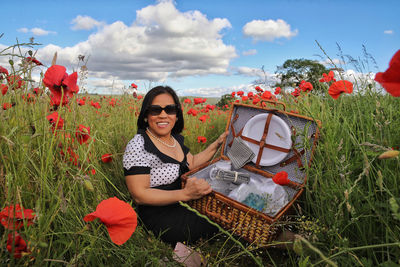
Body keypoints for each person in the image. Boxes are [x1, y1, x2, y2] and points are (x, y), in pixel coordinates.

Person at [123, 85, 228, 247]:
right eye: (155, 110)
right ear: (145, 115)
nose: (163, 115)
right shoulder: (138, 144)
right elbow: (139, 195)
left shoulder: (175, 139)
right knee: (218, 221)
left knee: (223, 212)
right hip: (160, 214)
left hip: (185, 202)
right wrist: (185, 194)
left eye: (170, 109)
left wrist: (218, 143)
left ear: (177, 115)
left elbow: (192, 163)